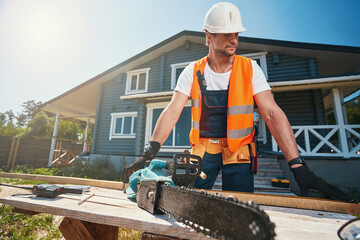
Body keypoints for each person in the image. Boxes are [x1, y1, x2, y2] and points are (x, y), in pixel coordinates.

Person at [122, 2, 355, 202]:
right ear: (209, 36)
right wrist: (148, 153)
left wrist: (297, 164)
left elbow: (272, 114)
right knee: (188, 203)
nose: (234, 39)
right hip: (203, 150)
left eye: (236, 34)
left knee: (240, 207)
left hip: (239, 151)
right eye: (227, 34)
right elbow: (172, 112)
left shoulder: (250, 69)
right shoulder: (192, 71)